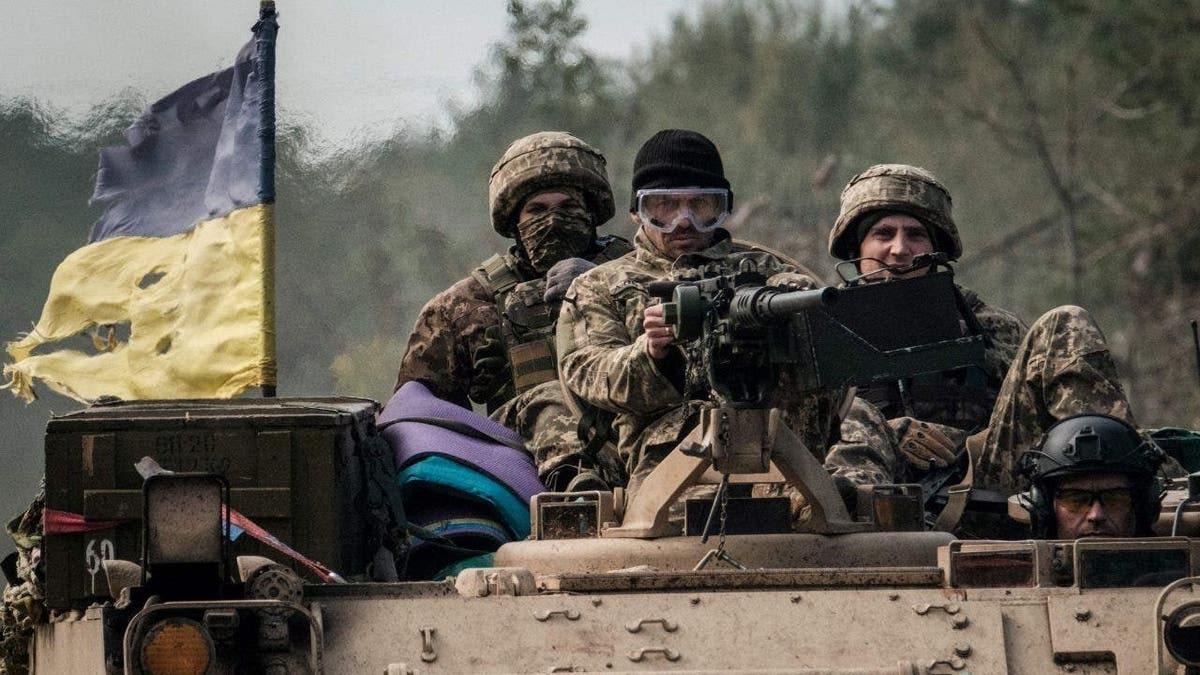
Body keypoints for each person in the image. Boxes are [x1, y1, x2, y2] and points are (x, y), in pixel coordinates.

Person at [558, 129, 899, 511]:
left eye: (699, 206)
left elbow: (834, 370)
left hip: (785, 450)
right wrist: (653, 355)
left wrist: (787, 305)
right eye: (664, 207)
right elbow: (588, 374)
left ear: (722, 209)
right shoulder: (600, 285)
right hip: (670, 464)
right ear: (637, 211)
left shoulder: (770, 271)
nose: (683, 221)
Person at [828, 164, 1138, 496]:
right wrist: (885, 433)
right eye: (883, 234)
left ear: (937, 250)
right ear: (855, 250)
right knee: (855, 413)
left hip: (985, 491)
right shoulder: (821, 333)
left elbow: (1029, 426)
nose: (900, 249)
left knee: (1067, 323)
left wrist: (972, 446)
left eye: (916, 235)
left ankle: (1121, 486)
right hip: (872, 511)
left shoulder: (994, 330)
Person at [394, 131, 632, 489]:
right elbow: (419, 418)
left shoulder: (638, 274)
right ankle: (575, 485)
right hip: (519, 469)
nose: (553, 222)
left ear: (591, 213)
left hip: (635, 446)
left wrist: (602, 285)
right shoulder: (463, 307)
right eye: (537, 210)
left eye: (568, 207)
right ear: (514, 222)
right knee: (547, 401)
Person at [1018, 414, 1165, 538]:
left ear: (1142, 507)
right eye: (1075, 500)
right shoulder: (1021, 571)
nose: (1096, 516)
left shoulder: (1179, 570)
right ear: (1046, 509)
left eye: (1114, 498)